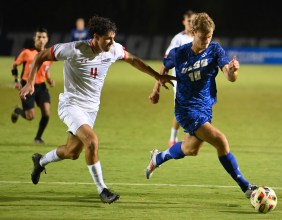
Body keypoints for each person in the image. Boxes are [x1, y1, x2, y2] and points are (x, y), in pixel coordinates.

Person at [19, 15, 176, 204]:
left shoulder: (113, 49)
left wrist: (157, 77)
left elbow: (133, 60)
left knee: (72, 152)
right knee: (92, 142)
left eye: (113, 37)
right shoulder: (74, 49)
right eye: (108, 38)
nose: (112, 42)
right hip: (71, 105)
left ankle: (40, 161)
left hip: (91, 110)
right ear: (95, 37)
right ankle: (102, 189)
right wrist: (30, 83)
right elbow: (40, 56)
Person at [145, 12, 257, 199]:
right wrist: (155, 89)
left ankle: (158, 158)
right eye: (203, 36)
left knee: (191, 149)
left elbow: (229, 76)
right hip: (186, 110)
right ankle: (246, 187)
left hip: (205, 108)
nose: (206, 40)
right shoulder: (179, 53)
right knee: (221, 140)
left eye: (210, 36)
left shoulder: (215, 50)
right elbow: (164, 68)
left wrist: (234, 70)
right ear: (194, 32)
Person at [149, 10, 195, 147]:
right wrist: (156, 89)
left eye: (194, 21)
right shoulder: (178, 39)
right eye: (189, 21)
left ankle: (188, 136)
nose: (191, 24)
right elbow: (166, 63)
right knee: (182, 109)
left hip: (196, 81)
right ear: (184, 22)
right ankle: (174, 138)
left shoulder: (199, 37)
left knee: (194, 109)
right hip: (180, 82)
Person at [11, 27, 55, 144]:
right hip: (28, 86)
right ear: (35, 38)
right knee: (30, 117)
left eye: (43, 37)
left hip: (41, 86)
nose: (41, 39)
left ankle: (38, 137)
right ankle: (17, 110)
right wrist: (16, 81)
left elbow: (46, 68)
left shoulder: (48, 54)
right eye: (39, 37)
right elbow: (14, 66)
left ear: (47, 39)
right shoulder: (26, 52)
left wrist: (49, 79)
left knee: (46, 113)